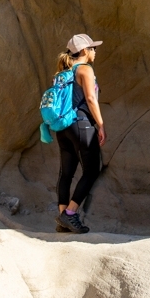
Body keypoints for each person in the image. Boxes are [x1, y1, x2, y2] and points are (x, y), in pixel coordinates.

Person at [54, 33, 106, 234]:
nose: (95, 52)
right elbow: (91, 99)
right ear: (84, 51)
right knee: (92, 170)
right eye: (93, 48)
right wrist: (100, 125)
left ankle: (61, 217)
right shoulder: (85, 69)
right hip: (81, 124)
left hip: (63, 127)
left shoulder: (62, 73)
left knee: (66, 172)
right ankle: (70, 214)